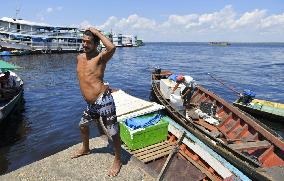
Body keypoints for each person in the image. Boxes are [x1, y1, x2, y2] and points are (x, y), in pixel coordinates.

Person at [72, 27, 121, 177]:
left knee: (113, 131)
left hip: (103, 100)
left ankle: (118, 160)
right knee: (82, 125)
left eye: (89, 42)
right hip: (91, 104)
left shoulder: (101, 58)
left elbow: (112, 47)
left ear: (95, 44)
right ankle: (86, 148)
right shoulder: (79, 58)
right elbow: (87, 78)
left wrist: (96, 31)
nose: (85, 44)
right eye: (83, 41)